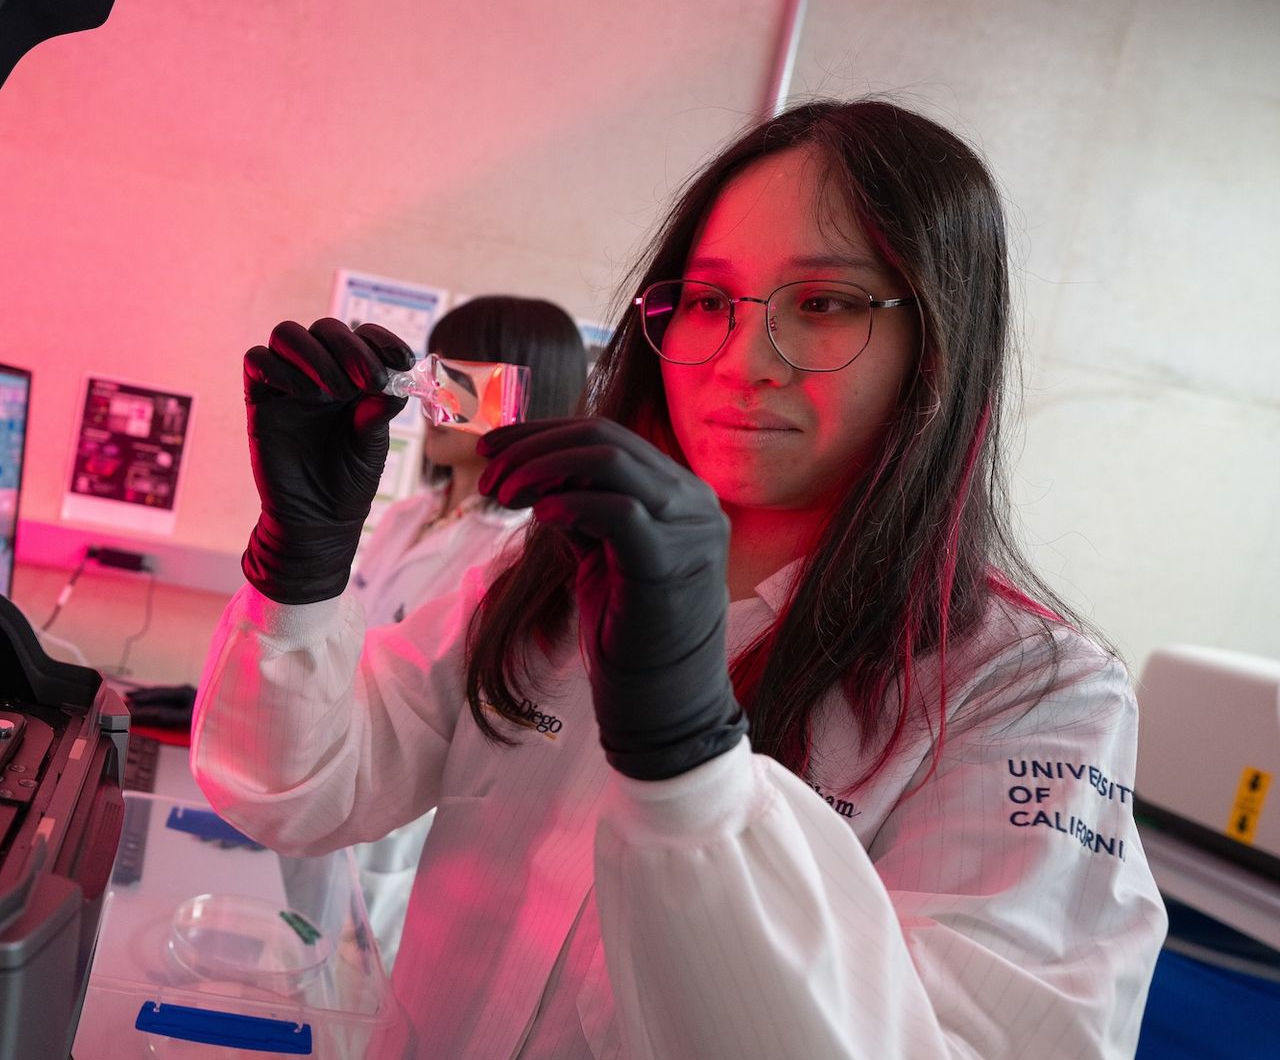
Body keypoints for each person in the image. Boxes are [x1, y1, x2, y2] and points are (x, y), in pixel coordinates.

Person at [193, 98, 1166, 1058]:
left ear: (942, 343)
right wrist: (302, 567)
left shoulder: (1034, 695)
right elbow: (300, 795)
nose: (744, 362)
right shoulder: (541, 567)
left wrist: (692, 764)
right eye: (707, 301)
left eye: (823, 304)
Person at [347, 296, 590, 968]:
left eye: (463, 375)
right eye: (436, 367)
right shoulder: (405, 517)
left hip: (409, 855)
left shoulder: (524, 552)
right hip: (338, 809)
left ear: (526, 397)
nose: (433, 390)